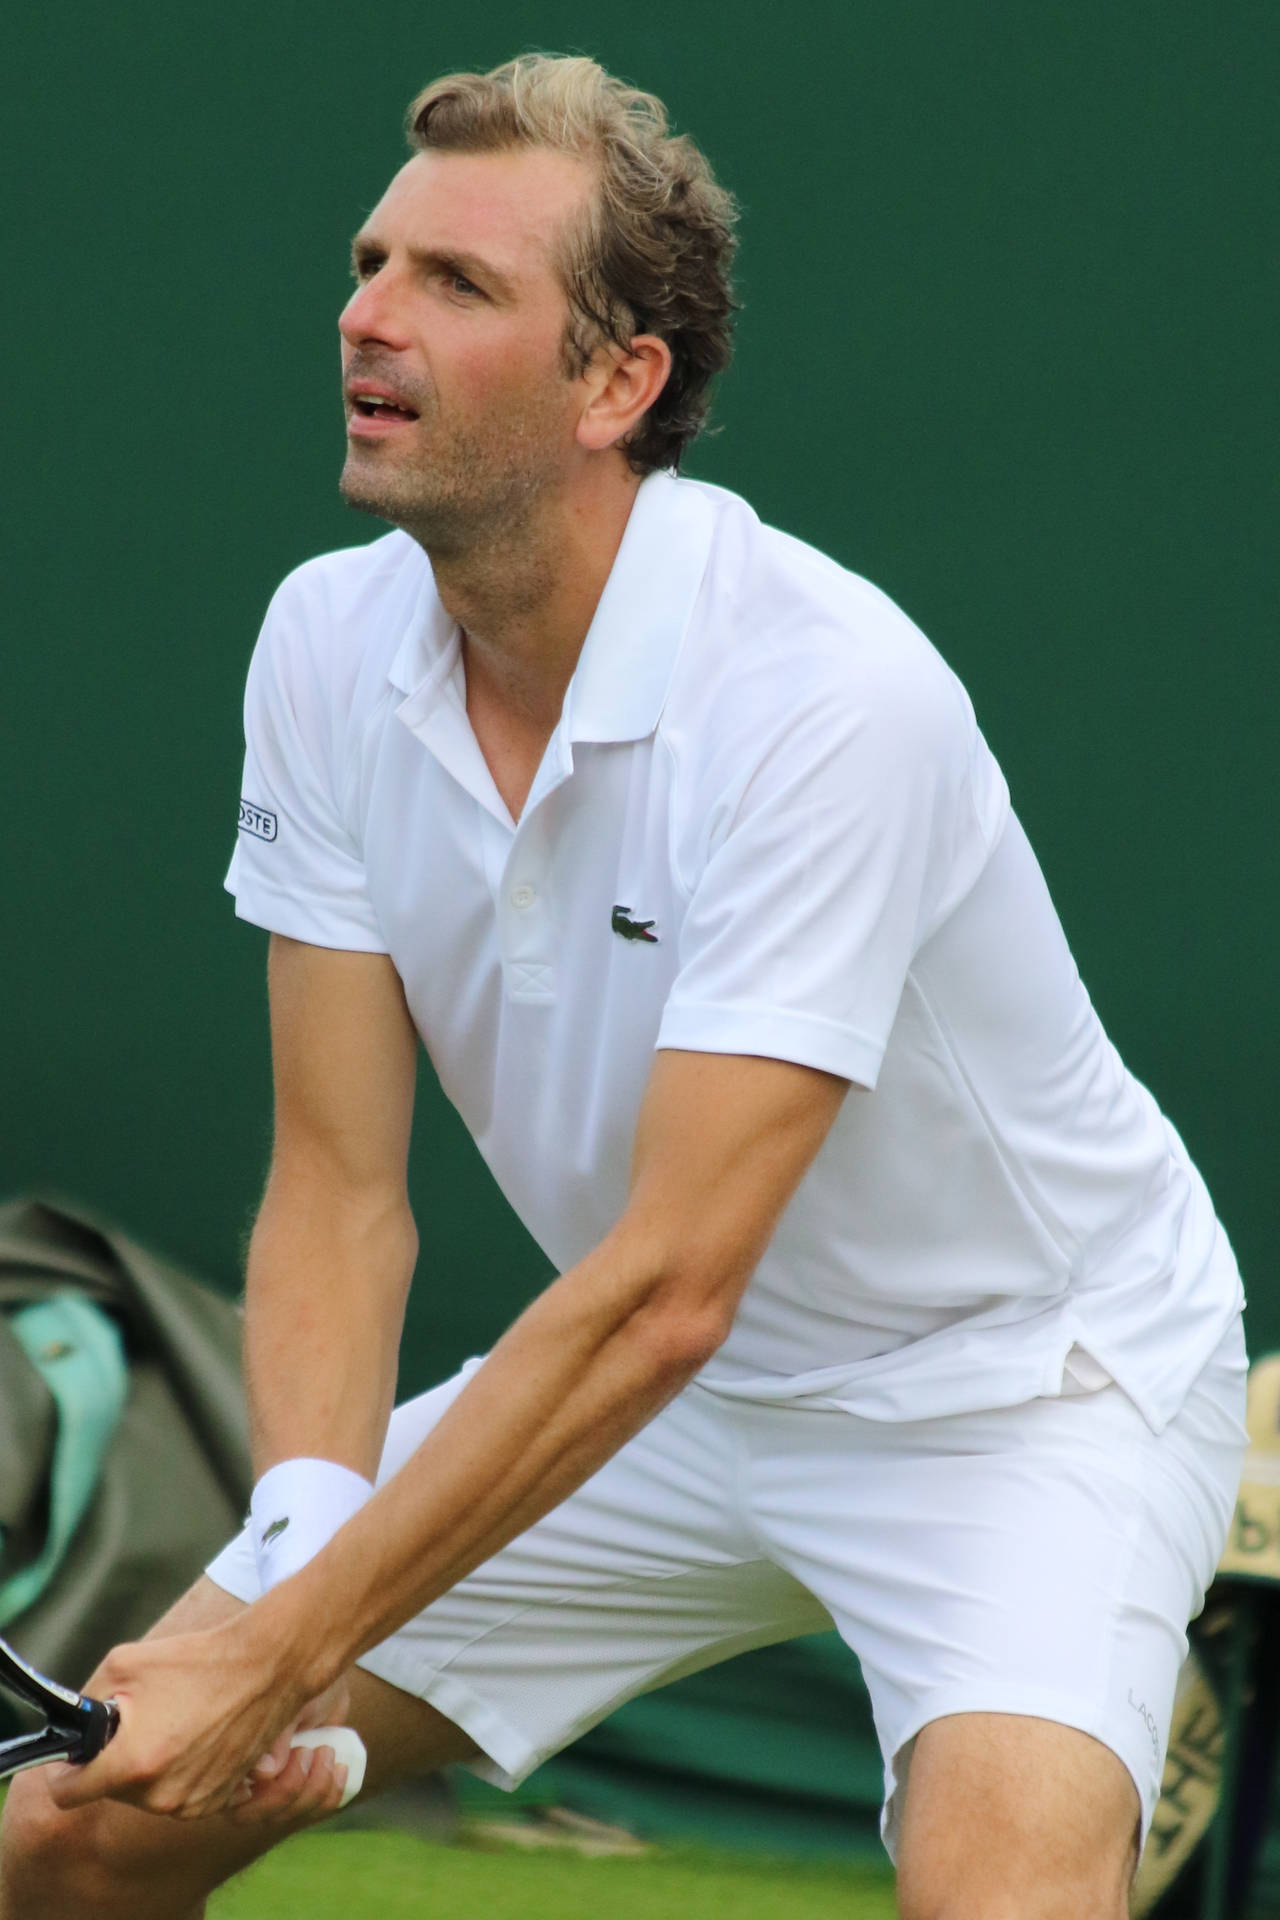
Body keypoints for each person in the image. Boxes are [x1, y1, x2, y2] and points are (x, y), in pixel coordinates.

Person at [0, 52, 1247, 1920]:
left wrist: (281, 1655)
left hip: (1016, 1387)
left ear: (620, 382)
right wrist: (305, 1544)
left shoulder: (831, 699)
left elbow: (670, 1284)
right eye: (371, 260)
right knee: (70, 1836)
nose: (368, 313)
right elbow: (338, 1192)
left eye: (458, 283)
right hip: (660, 1393)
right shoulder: (323, 642)